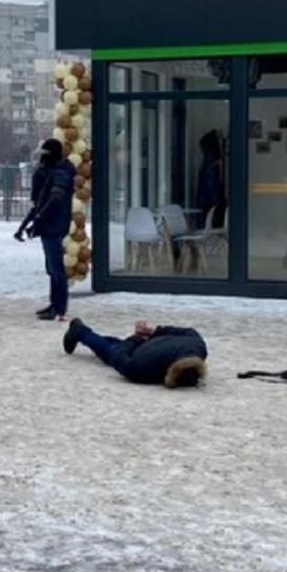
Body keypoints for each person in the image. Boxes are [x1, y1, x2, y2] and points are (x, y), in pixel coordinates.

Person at [63, 318, 208, 388]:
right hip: (143, 355)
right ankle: (81, 332)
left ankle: (82, 332)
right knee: (111, 351)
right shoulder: (142, 368)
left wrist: (152, 332)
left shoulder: (198, 344)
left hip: (153, 345)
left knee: (116, 346)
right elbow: (120, 359)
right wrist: (134, 340)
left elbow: (188, 331)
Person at [23, 139, 75, 320]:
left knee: (55, 268)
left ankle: (59, 307)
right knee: (52, 268)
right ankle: (55, 304)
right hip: (52, 223)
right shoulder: (60, 171)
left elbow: (52, 200)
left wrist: (38, 218)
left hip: (52, 224)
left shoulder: (57, 173)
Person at [195, 129, 227, 229]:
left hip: (207, 201)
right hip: (211, 202)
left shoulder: (208, 164)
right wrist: (219, 202)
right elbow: (211, 185)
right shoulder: (212, 165)